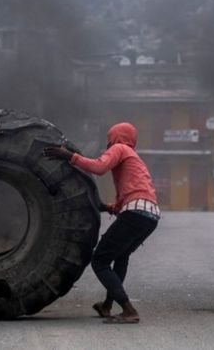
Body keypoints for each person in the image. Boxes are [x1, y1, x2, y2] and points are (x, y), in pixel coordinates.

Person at [44, 122, 160, 324]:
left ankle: (129, 310)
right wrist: (108, 207)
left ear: (116, 136)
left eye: (110, 136)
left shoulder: (120, 148)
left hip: (135, 212)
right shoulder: (133, 156)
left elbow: (99, 167)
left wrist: (70, 157)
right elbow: (134, 192)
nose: (108, 141)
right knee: (121, 255)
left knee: (100, 260)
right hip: (149, 215)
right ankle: (107, 306)